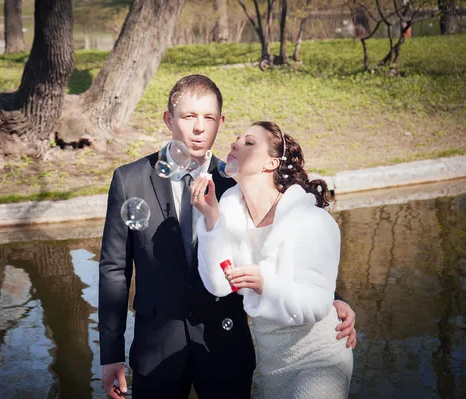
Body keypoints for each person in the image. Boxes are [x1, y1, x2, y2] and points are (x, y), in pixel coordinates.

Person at [98, 75, 357, 399]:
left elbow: (286, 234)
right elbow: (113, 271)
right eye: (188, 116)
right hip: (157, 351)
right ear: (168, 119)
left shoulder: (236, 179)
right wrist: (111, 354)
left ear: (220, 122)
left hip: (226, 350)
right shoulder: (129, 179)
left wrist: (334, 298)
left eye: (208, 118)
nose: (198, 128)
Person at [191, 121, 354, 398]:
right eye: (236, 139)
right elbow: (219, 285)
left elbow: (316, 305)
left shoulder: (312, 220)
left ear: (271, 163)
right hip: (272, 363)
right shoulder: (231, 217)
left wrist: (267, 284)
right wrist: (211, 219)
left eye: (249, 142)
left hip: (320, 359)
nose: (234, 145)